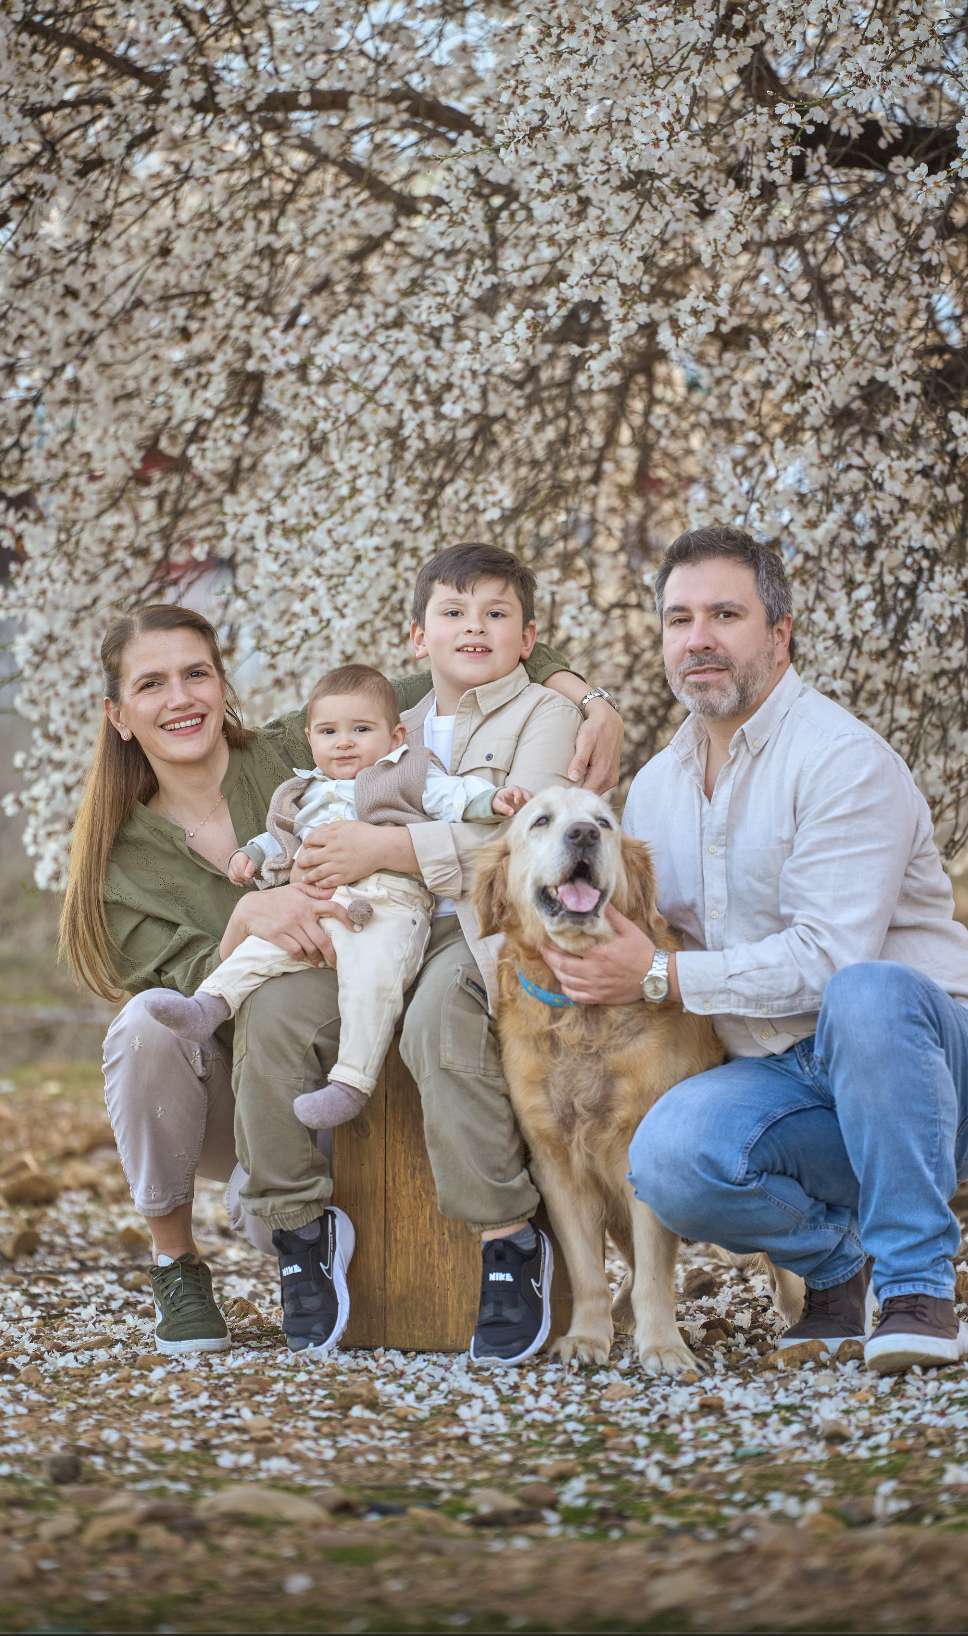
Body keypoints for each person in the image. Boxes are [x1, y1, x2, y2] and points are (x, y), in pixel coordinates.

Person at [59, 556, 620, 1357]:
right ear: (118, 715)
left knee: (427, 1009)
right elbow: (197, 1004)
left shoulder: (305, 743)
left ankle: (502, 1244)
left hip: (381, 963)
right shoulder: (120, 866)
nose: (180, 699)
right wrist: (250, 917)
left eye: (197, 675)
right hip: (246, 1080)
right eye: (152, 686)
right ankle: (191, 1259)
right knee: (151, 1024)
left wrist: (590, 701)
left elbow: (458, 657)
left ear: (224, 686)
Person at [537, 526, 968, 1376]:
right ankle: (841, 1272)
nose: (700, 640)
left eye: (727, 614)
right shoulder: (651, 790)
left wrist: (658, 973)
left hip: (935, 1075)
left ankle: (916, 1289)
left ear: (780, 633)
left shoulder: (841, 761)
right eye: (680, 619)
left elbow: (831, 964)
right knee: (667, 1158)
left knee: (867, 991)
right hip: (783, 1086)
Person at [232, 543, 601, 1363]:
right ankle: (298, 1227)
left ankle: (508, 1239)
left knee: (438, 1016)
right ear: (416, 635)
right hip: (363, 925)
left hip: (479, 927)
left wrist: (383, 848)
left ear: (528, 636)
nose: (474, 628)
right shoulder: (390, 711)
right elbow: (311, 767)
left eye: (496, 614)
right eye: (453, 612)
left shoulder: (546, 713)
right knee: (275, 1014)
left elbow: (525, 839)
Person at [143, 661, 533, 1132]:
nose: (344, 742)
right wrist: (251, 855)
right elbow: (280, 839)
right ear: (310, 738)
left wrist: (491, 801)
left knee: (371, 985)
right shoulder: (304, 791)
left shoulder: (406, 773)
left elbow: (453, 797)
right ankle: (208, 1004)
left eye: (360, 729)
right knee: (260, 952)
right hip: (319, 905)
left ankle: (351, 1081)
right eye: (329, 731)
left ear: (394, 739)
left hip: (390, 905)